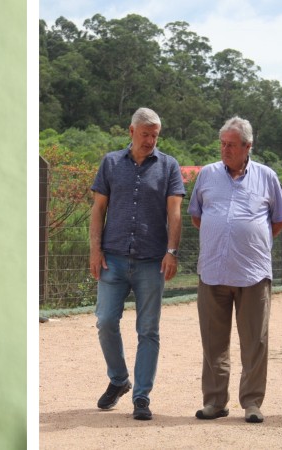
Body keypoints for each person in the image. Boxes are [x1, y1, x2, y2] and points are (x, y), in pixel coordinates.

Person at [188, 116, 282, 424]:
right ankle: (215, 402)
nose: (225, 150)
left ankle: (252, 404)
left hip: (253, 274)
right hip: (212, 273)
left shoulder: (267, 176)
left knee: (255, 342)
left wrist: (251, 242)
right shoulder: (206, 175)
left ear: (248, 147)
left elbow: (279, 219)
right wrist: (222, 237)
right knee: (213, 342)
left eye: (232, 145)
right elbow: (196, 215)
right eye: (222, 144)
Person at [89, 107, 185, 420]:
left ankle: (141, 397)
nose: (150, 140)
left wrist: (172, 250)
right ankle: (119, 380)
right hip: (112, 258)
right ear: (131, 132)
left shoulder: (169, 166)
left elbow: (174, 212)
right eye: (145, 134)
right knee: (105, 321)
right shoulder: (111, 162)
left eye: (155, 135)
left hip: (151, 261)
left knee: (148, 331)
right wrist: (95, 249)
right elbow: (98, 209)